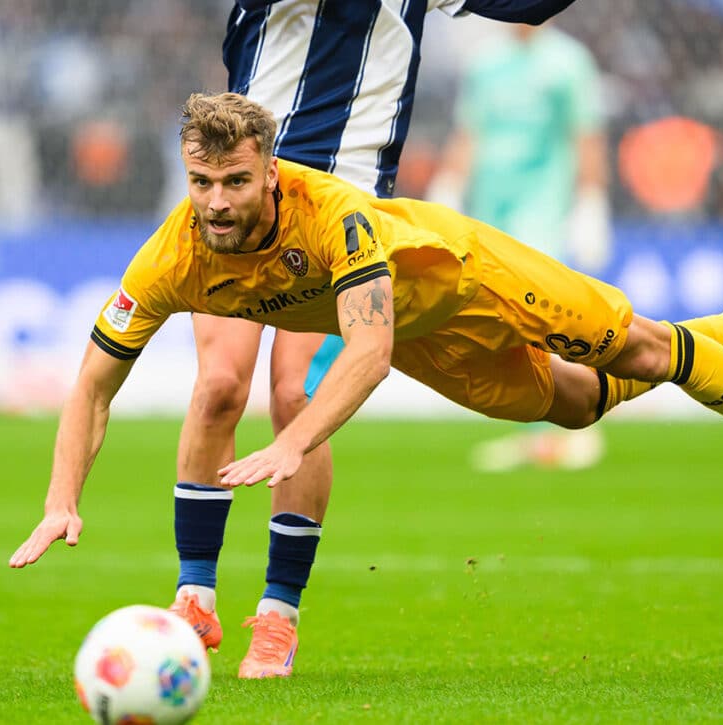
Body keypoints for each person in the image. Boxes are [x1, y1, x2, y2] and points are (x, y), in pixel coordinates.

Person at [11, 93, 723, 679]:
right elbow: (93, 383)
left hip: (466, 273)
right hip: (425, 337)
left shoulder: (332, 213)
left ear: (271, 172)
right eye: (202, 183)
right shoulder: (172, 254)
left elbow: (367, 351)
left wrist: (292, 440)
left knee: (640, 351)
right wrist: (59, 497)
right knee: (572, 405)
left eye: (236, 181)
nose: (218, 201)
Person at [172, 0, 581, 680]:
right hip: (243, 186)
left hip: (342, 204)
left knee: (294, 397)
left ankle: (278, 614)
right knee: (218, 387)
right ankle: (194, 596)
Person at [429, 21, 611, 471]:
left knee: (545, 313)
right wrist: (449, 184)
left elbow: (585, 135)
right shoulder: (485, 63)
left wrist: (591, 201)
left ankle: (579, 418)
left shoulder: (568, 62)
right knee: (506, 320)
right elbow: (469, 131)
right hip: (493, 207)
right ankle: (539, 428)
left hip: (544, 205)